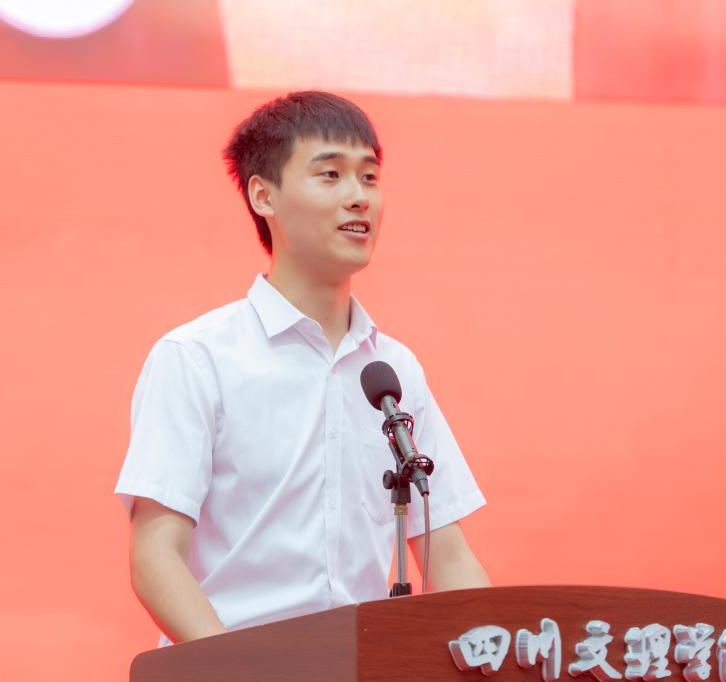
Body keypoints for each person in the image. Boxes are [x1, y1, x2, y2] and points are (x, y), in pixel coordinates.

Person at [115, 90, 490, 646]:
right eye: (330, 175)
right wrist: (234, 671)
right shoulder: (197, 358)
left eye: (369, 177)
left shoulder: (393, 370)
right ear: (263, 195)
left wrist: (497, 656)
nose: (358, 197)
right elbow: (155, 555)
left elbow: (449, 556)